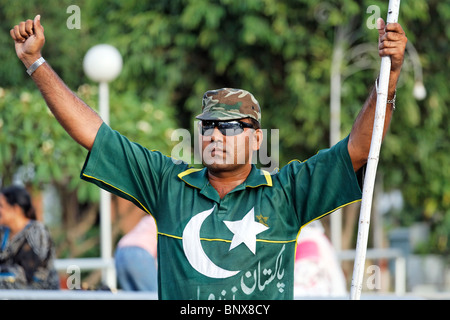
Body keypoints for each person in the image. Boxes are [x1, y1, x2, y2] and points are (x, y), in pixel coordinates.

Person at [10, 15, 407, 299]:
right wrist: (35, 63)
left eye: (231, 126)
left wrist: (388, 76)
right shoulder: (167, 183)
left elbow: (359, 148)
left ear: (255, 139)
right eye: (208, 127)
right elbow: (95, 134)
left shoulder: (287, 192)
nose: (216, 135)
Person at [0, 184, 60, 289]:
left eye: (1, 206)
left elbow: (28, 273)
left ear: (16, 209)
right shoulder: (3, 232)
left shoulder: (37, 232)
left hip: (38, 295)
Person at [114, 214, 158, 292]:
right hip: (140, 252)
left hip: (120, 250)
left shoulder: (148, 219)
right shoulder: (167, 220)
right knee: (153, 295)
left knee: (132, 296)